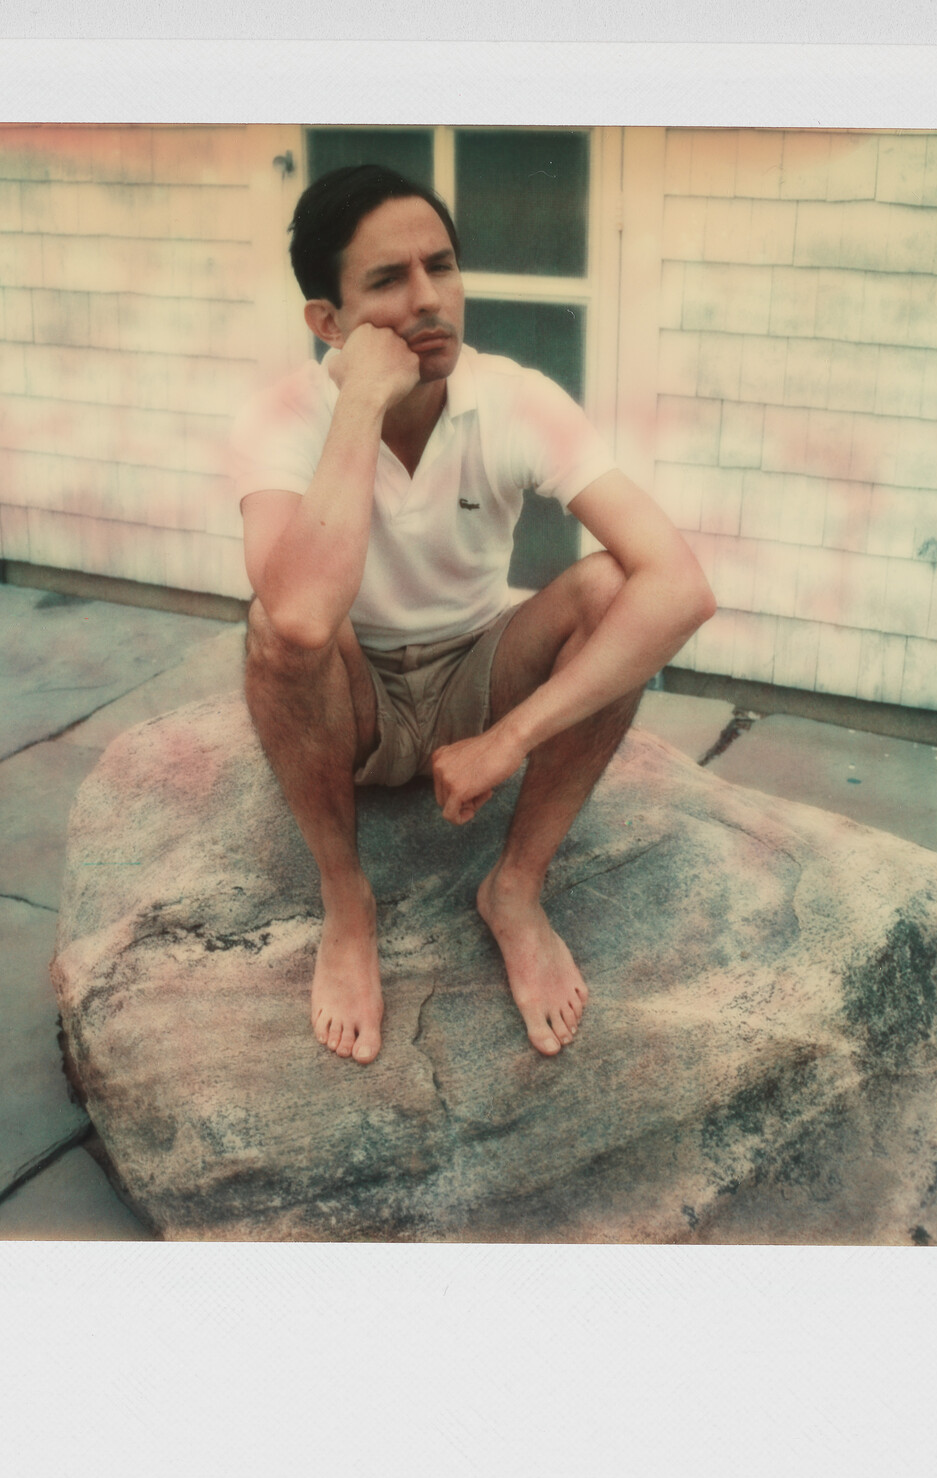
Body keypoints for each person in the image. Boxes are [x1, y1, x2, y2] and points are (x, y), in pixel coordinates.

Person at [231, 163, 715, 1066]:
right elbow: (298, 620)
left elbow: (680, 587)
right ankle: (348, 904)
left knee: (614, 591)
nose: (429, 300)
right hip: (355, 696)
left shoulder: (516, 398)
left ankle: (516, 889)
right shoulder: (282, 417)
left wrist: (511, 737)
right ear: (327, 324)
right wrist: (363, 404)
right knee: (275, 630)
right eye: (387, 281)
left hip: (478, 676)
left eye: (441, 266)